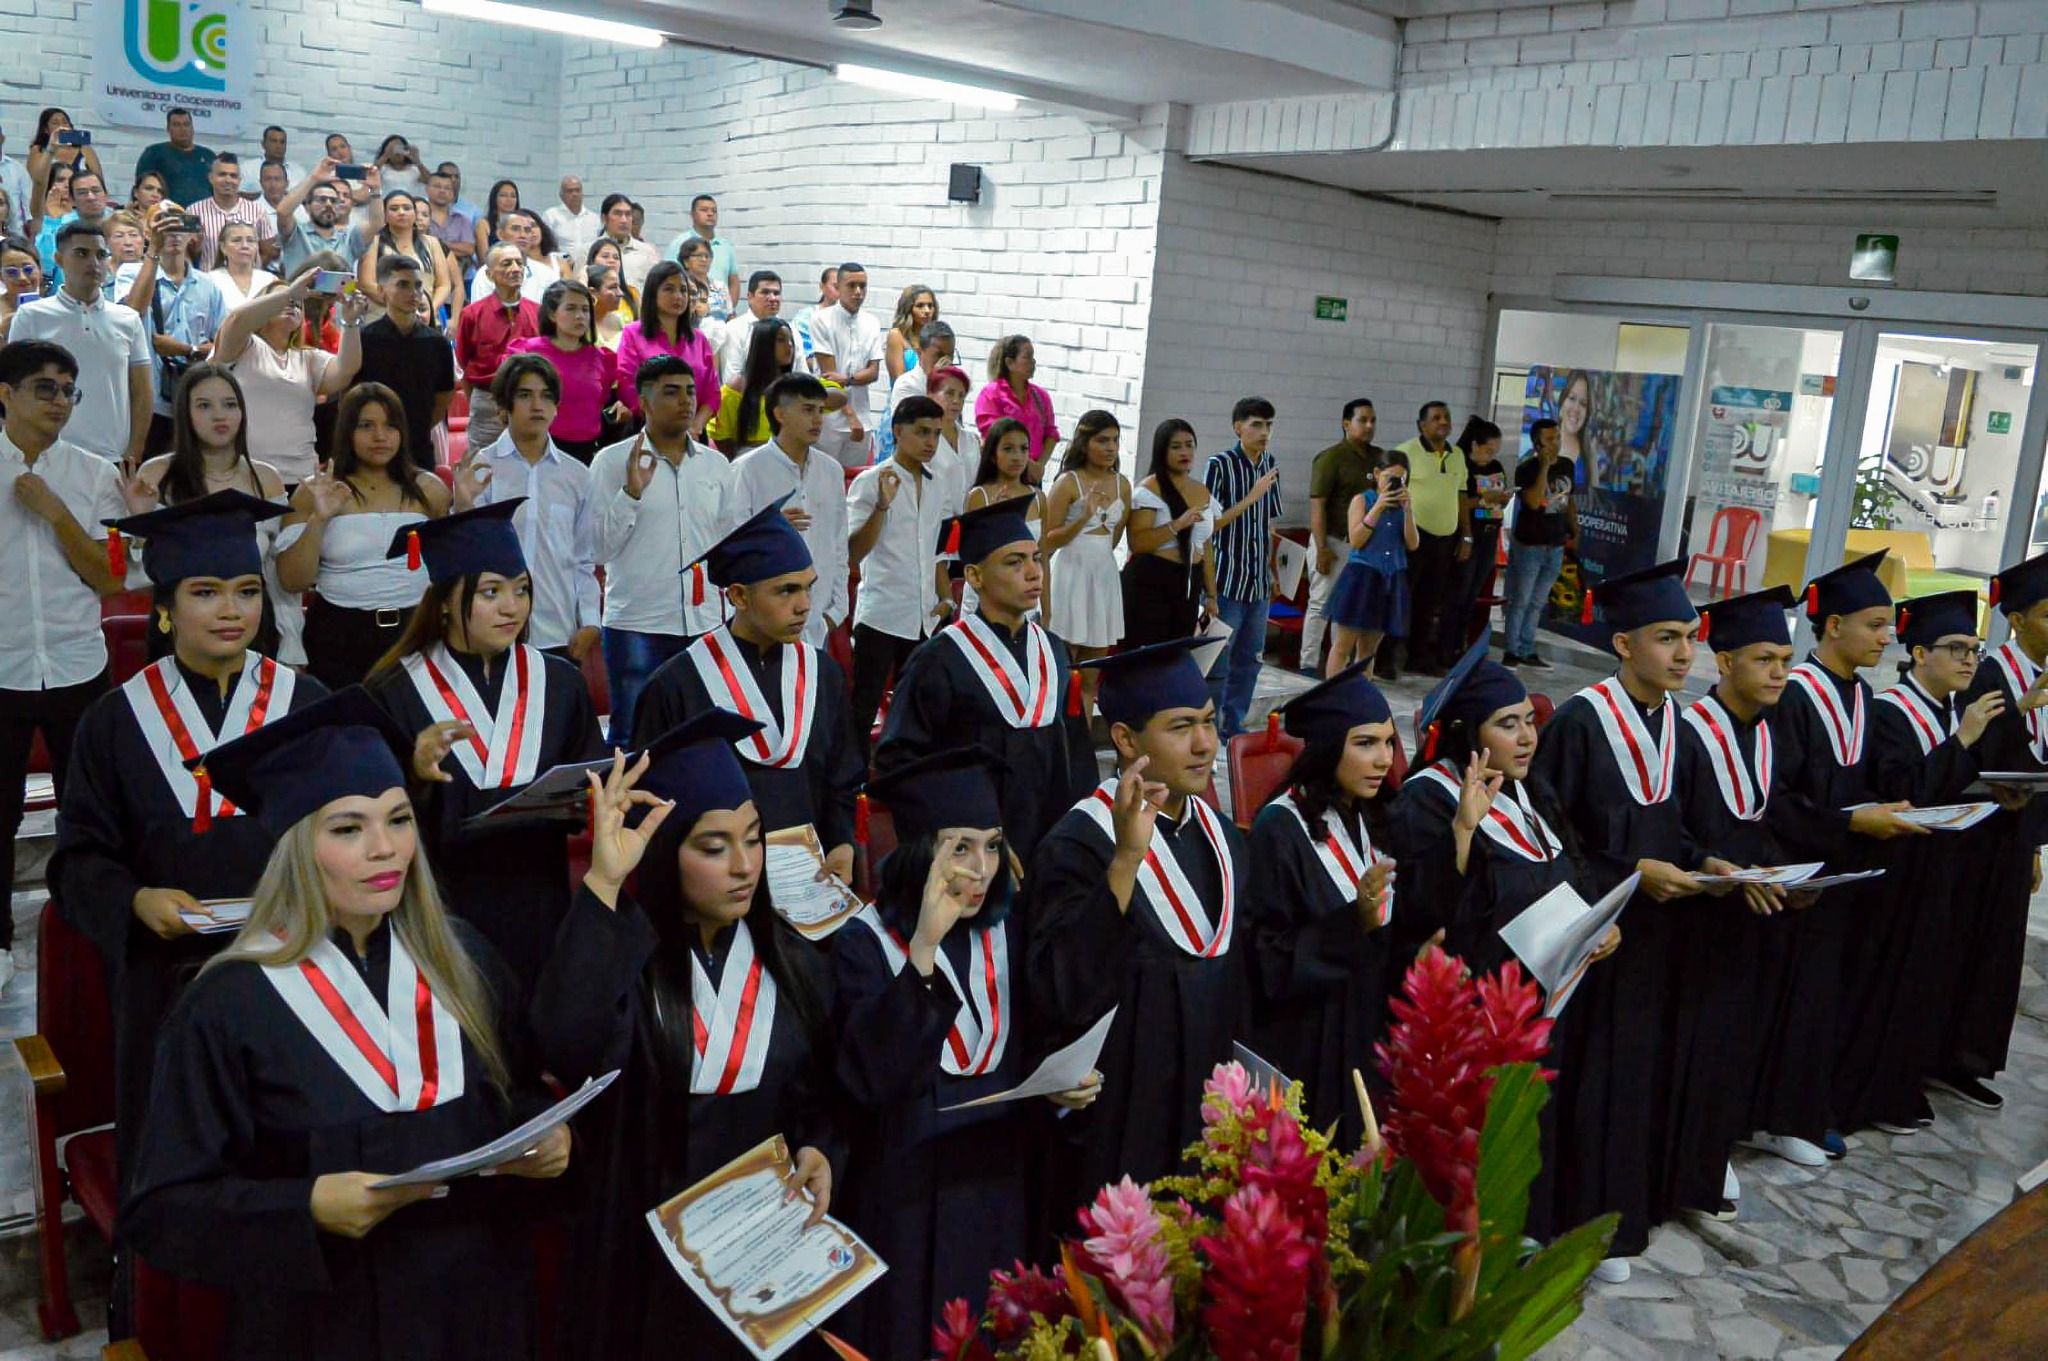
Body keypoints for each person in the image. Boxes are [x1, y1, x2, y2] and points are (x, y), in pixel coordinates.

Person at [117, 688, 572, 1359]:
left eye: (398, 820)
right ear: (299, 848)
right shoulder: (228, 1004)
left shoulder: (464, 959)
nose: (385, 849)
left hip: (476, 1310)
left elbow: (515, 1095)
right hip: (319, 1328)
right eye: (348, 828)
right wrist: (304, 1206)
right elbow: (162, 1207)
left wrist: (544, 1139)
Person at [528, 719, 839, 1361]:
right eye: (713, 846)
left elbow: (816, 1097)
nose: (744, 866)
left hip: (766, 1257)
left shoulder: (794, 962)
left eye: (752, 840)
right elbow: (566, 1043)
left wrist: (818, 1150)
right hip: (648, 1264)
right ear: (666, 853)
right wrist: (605, 883)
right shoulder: (629, 962)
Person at [52, 492, 323, 1220]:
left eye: (245, 591)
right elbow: (77, 859)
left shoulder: (309, 706)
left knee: (291, 1173)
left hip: (296, 976)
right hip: (167, 988)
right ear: (166, 607)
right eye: (205, 593)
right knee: (185, 1179)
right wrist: (135, 901)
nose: (231, 610)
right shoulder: (114, 722)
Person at [834, 748, 1099, 1355]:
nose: (981, 869)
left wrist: (1056, 1086)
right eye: (959, 848)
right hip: (904, 1202)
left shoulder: (1008, 931)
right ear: (919, 853)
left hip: (998, 1191)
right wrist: (923, 947)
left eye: (992, 844)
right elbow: (871, 1082)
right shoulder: (861, 945)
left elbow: (1033, 1044)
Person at [1529, 559, 1740, 1279]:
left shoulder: (1677, 725)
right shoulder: (1581, 724)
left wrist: (1704, 860)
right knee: (1592, 1076)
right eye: (1665, 638)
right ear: (1623, 644)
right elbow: (1549, 836)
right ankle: (1578, 1217)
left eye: (1689, 636)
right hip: (1599, 934)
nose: (1684, 653)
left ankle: (1627, 1209)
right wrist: (1628, 875)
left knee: (1641, 1070)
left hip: (1662, 934)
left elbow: (1674, 827)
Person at [1391, 641, 1618, 1245]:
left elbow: (1571, 862)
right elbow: (1425, 915)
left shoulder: (1528, 789)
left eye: (1529, 722)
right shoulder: (1428, 799)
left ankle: (1532, 1234)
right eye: (1507, 724)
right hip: (1477, 1011)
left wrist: (1601, 920)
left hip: (1546, 996)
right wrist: (1464, 831)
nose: (1526, 738)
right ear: (1469, 733)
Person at [1031, 637, 1244, 1197]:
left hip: (1208, 1103)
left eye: (1207, 721)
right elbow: (1063, 990)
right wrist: (1126, 860)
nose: (1204, 745)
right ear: (1125, 739)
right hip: (1123, 1119)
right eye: (1180, 728)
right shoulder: (1078, 845)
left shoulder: (1221, 837)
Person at [364, 500, 604, 987]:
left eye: (521, 591)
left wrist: (593, 793)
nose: (512, 607)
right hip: (443, 904)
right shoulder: (395, 690)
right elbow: (369, 812)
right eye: (491, 592)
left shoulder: (559, 684)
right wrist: (414, 773)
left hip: (541, 895)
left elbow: (588, 774)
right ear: (448, 600)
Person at [1756, 551, 1925, 1165]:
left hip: (1842, 876)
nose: (1888, 637)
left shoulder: (1857, 695)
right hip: (1798, 877)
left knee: (1827, 997)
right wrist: (1853, 820)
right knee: (1794, 1000)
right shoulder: (1795, 695)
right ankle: (1779, 1117)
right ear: (1833, 627)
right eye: (1875, 625)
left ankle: (1806, 1107)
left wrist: (1888, 807)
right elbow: (1776, 798)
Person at [632, 499, 862, 895]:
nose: (804, 605)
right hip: (718, 892)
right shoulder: (677, 685)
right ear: (738, 596)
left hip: (811, 882)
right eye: (786, 591)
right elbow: (651, 806)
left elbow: (841, 777)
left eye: (808, 587)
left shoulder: (823, 676)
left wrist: (842, 840)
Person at [1840, 590, 2003, 1137]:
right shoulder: (1890, 711)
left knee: (1924, 984)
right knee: (1885, 983)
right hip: (1895, 873)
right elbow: (1904, 790)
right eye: (1955, 647)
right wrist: (1963, 741)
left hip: (1939, 869)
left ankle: (1899, 1083)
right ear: (1917, 654)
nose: (1967, 660)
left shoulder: (1950, 710)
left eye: (1975, 650)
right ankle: (1867, 1093)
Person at [0, 340, 129, 992]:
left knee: (90, 805)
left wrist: (55, 514)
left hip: (77, 662)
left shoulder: (92, 473)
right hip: (2, 666)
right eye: (44, 387)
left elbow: (111, 581)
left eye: (67, 390)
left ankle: (85, 923)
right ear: (6, 394)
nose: (58, 401)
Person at [1671, 586, 1799, 1219]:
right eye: (1764, 659)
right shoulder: (1687, 734)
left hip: (1748, 916)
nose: (1780, 672)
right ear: (1723, 663)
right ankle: (1681, 1158)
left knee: (1732, 1038)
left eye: (1785, 658)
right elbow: (1673, 830)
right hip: (1690, 920)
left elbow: (1768, 817)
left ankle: (1711, 1147)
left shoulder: (1770, 731)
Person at [875, 499, 1093, 866]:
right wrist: (972, 841)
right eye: (1014, 562)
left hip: (1049, 853)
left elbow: (1076, 753)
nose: (1033, 572)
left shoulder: (1053, 651)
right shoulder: (939, 660)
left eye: (1036, 559)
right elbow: (900, 763)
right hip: (969, 859)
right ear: (974, 577)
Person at [1248, 663, 1401, 1146]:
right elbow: (1266, 954)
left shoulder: (1367, 815)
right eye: (1366, 743)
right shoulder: (1280, 828)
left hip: (1365, 1023)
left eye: (1389, 742)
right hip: (1309, 1040)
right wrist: (1350, 922)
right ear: (1330, 747)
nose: (1384, 759)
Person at [1947, 552, 2048, 1112]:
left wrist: (2033, 844)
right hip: (1972, 836)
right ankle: (1940, 1054)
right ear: (2018, 620)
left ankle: (1969, 1059)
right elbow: (1980, 753)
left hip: (2013, 835)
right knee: (1961, 945)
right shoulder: (1988, 674)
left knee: (1998, 952)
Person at [591, 357, 737, 744]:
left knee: (701, 735)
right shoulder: (611, 463)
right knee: (631, 735)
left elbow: (728, 546)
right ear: (644, 400)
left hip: (705, 622)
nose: (685, 401)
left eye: (690, 391)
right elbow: (598, 549)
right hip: (638, 623)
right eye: (671, 392)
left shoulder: (716, 465)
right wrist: (631, 494)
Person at [278, 384, 450, 686]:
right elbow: (293, 580)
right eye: (366, 426)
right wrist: (320, 518)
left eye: (390, 425)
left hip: (416, 631)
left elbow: (451, 572)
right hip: (339, 635)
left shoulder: (431, 489)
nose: (380, 436)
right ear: (347, 431)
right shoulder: (314, 490)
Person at [128, 364, 297, 663]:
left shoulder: (266, 478)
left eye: (230, 405)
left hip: (251, 627)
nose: (220, 415)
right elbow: (143, 577)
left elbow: (274, 572)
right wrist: (141, 523)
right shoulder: (156, 474)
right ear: (185, 413)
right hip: (180, 631)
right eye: (204, 406)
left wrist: (292, 643)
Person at [450, 353, 601, 660]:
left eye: (546, 397)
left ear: (556, 407)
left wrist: (590, 622)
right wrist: (463, 505)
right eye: (524, 395)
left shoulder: (577, 475)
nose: (537, 405)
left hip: (558, 631)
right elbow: (465, 556)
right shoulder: (481, 468)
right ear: (504, 407)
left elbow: (584, 560)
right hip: (492, 630)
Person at [846, 395, 963, 763]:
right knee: (863, 708)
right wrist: (882, 505)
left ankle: (900, 778)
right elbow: (852, 554)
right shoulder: (869, 482)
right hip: (881, 611)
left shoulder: (938, 484)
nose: (930, 442)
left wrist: (945, 601)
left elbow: (935, 553)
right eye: (922, 432)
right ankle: (851, 786)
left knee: (913, 708)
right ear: (898, 432)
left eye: (936, 434)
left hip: (922, 616)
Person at [8, 220, 153, 468]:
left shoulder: (127, 319)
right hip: (46, 456)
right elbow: (15, 388)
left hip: (112, 457)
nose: (94, 263)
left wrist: (134, 450)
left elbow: (141, 391)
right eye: (82, 254)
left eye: (100, 254)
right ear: (59, 259)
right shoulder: (32, 315)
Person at [215, 271, 366, 488]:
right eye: (284, 299)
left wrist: (350, 322)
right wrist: (289, 292)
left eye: (297, 302)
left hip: (301, 475)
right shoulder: (243, 347)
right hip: (247, 473)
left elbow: (346, 369)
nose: (292, 303)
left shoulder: (307, 358)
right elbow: (237, 320)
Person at [731, 374, 849, 648]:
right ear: (779, 413)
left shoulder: (831, 471)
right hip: (762, 622)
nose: (818, 419)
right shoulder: (748, 469)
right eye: (808, 410)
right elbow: (729, 545)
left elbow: (838, 543)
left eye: (821, 410)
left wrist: (836, 611)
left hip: (818, 620)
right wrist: (769, 528)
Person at [1202, 396, 1282, 739]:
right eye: (1257, 425)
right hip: (1226, 578)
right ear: (1238, 428)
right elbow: (1210, 524)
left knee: (1251, 659)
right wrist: (1251, 496)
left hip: (1257, 581)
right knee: (1218, 659)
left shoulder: (1271, 463)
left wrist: (1274, 570)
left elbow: (1268, 524)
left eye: (1269, 425)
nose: (1264, 432)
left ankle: (1232, 727)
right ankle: (1206, 725)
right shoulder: (1219, 464)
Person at [119, 204, 227, 456]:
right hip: (148, 397)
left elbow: (223, 341)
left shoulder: (208, 284)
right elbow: (134, 311)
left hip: (193, 394)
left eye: (180, 224)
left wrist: (188, 349)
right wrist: (154, 249)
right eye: (163, 224)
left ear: (192, 233)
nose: (173, 232)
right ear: (148, 231)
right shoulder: (131, 273)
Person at [1042, 409, 1129, 712]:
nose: (1110, 448)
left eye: (1115, 441)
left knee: (1090, 678)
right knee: (1063, 674)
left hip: (1102, 577)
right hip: (1069, 575)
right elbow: (1047, 539)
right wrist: (1083, 519)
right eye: (1102, 440)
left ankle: (1080, 750)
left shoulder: (1123, 484)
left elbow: (1115, 537)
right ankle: (1056, 747)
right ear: (1085, 442)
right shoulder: (1068, 482)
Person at [1122, 418, 1219, 650]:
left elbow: (1205, 546)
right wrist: (1176, 525)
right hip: (1152, 580)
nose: (1185, 452)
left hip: (1188, 581)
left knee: (1178, 653)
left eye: (1189, 445)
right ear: (1161, 450)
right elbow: (1138, 543)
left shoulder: (1201, 490)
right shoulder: (1148, 489)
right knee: (1147, 655)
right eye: (1176, 447)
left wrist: (1212, 595)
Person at [1303, 398, 1381, 674]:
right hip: (1332, 541)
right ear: (1346, 423)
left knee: (1347, 609)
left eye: (1373, 420)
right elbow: (1317, 505)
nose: (1369, 425)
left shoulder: (1378, 458)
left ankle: (1337, 667)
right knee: (1321, 603)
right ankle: (1308, 664)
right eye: (1363, 420)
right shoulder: (1331, 458)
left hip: (1362, 547)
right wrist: (1322, 547)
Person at [1325, 454, 1420, 679]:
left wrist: (1408, 510)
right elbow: (1356, 539)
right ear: (1377, 474)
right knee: (1343, 645)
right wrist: (1378, 507)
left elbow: (1413, 543)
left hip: (1390, 578)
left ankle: (1361, 695)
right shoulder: (1362, 500)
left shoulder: (1402, 507)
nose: (1393, 484)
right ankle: (1331, 693)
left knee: (1368, 650)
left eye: (1400, 479)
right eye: (1389, 477)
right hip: (1362, 576)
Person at [354, 255, 457, 461]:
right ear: (382, 292)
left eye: (418, 285)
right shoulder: (363, 339)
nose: (414, 293)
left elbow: (443, 397)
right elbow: (350, 397)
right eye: (403, 285)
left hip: (418, 444)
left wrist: (416, 426)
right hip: (372, 447)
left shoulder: (438, 343)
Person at [507, 279, 620, 463]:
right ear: (552, 314)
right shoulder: (528, 352)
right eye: (571, 308)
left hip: (588, 450)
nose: (580, 316)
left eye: (585, 310)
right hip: (540, 448)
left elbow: (602, 399)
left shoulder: (601, 358)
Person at [1394, 400, 1468, 675]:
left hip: (1444, 540)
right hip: (1412, 537)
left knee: (1429, 600)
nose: (1443, 422)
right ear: (1421, 425)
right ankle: (1387, 657)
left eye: (1446, 417)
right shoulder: (1406, 452)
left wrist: (1467, 536)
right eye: (1436, 418)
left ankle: (1419, 658)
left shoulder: (1457, 455)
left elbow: (1461, 495)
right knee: (1402, 598)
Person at [706, 317, 844, 455]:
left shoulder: (796, 383)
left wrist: (800, 394)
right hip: (751, 462)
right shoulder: (738, 386)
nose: (789, 345)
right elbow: (720, 435)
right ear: (763, 344)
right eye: (781, 340)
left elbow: (841, 397)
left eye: (791, 340)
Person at [1504, 418, 1578, 670]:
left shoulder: (1567, 465)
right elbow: (1534, 502)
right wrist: (1544, 467)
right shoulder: (1526, 469)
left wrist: (1574, 530)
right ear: (1537, 443)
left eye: (1557, 437)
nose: (1555, 443)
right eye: (1549, 439)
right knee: (1521, 599)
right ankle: (1512, 650)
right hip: (1530, 543)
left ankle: (1528, 648)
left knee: (1537, 601)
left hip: (1555, 542)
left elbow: (1569, 501)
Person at [616, 261, 720, 437]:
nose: (678, 296)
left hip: (693, 432)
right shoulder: (632, 333)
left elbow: (713, 392)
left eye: (683, 290)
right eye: (669, 289)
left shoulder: (699, 339)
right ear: (652, 293)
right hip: (649, 430)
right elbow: (628, 385)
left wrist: (696, 425)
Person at [454, 242, 541, 450]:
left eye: (519, 263)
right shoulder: (472, 314)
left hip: (530, 400)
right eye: (506, 263)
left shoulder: (539, 312)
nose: (515, 268)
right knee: (483, 469)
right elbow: (465, 361)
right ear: (489, 274)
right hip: (487, 402)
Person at [960, 417, 1042, 618]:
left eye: (1023, 449)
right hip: (986, 599)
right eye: (1008, 449)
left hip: (1026, 595)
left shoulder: (1039, 497)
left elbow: (1043, 556)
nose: (1017, 457)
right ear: (993, 455)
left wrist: (1046, 609)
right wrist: (996, 516)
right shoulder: (979, 495)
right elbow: (971, 554)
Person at [810, 261, 884, 469]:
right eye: (852, 286)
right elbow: (830, 377)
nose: (858, 292)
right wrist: (851, 416)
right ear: (838, 287)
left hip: (863, 416)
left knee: (854, 483)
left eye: (863, 286)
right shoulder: (821, 319)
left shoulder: (872, 322)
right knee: (823, 479)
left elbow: (873, 372)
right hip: (830, 419)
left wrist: (849, 379)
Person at [1449, 416, 1510, 648]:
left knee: (1476, 591)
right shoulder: (1463, 466)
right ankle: (1451, 643)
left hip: (1490, 530)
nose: (1491, 456)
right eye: (1487, 450)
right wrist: (1484, 498)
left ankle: (1466, 641)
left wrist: (1502, 499)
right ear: (1474, 445)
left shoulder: (1495, 467)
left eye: (1495, 451)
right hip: (1469, 531)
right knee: (1460, 591)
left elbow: (1498, 499)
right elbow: (1460, 502)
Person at [356, 190, 457, 321]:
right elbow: (366, 284)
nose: (401, 212)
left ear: (415, 214)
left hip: (424, 319)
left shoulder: (432, 242)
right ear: (385, 215)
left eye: (407, 208)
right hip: (382, 317)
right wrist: (400, 305)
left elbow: (444, 285)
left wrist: (428, 308)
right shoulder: (374, 242)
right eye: (394, 209)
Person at [973, 334, 1058, 480]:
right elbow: (993, 434)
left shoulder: (1040, 396)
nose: (1033, 362)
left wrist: (1039, 466)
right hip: (1001, 473)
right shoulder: (992, 394)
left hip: (1033, 475)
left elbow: (1051, 433)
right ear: (1010, 363)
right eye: (1028, 357)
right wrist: (1026, 463)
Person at [274, 160, 379, 275]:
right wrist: (314, 178)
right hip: (302, 292)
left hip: (343, 291)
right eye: (322, 200)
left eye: (334, 201)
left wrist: (375, 189)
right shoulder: (295, 233)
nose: (328, 204)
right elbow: (282, 212)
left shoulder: (349, 238)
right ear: (307, 206)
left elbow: (376, 223)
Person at [878, 318, 951, 461]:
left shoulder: (951, 385)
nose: (946, 362)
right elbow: (909, 432)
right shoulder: (906, 385)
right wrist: (934, 384)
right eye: (938, 355)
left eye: (950, 356)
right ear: (919, 353)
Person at [189, 154, 276, 271]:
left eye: (233, 176)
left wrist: (252, 271)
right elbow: (186, 254)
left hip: (249, 284)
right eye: (222, 174)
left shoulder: (257, 211)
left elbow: (267, 251)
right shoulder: (194, 212)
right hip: (209, 282)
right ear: (210, 178)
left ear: (239, 180)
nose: (228, 180)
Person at [663, 192, 740, 310]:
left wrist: (728, 309)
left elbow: (733, 281)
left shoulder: (726, 246)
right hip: (688, 311)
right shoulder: (679, 243)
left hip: (720, 313)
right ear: (692, 214)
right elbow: (666, 278)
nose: (710, 214)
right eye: (704, 210)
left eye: (714, 211)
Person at [131, 107, 215, 208]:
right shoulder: (154, 153)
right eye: (176, 125)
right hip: (165, 215)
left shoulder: (208, 155)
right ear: (168, 129)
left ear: (192, 128)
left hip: (204, 215)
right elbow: (143, 188)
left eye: (186, 124)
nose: (182, 129)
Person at [714, 269, 781, 382]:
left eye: (776, 293)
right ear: (750, 297)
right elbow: (732, 379)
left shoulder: (790, 330)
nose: (773, 298)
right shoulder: (734, 329)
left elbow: (802, 373)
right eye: (765, 292)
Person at [927, 363, 979, 509]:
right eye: (949, 393)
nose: (956, 401)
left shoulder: (971, 441)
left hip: (969, 523)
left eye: (961, 396)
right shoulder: (923, 441)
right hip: (936, 522)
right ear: (931, 395)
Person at [204, 220, 280, 311]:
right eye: (236, 240)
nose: (245, 246)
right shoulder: (210, 281)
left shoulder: (270, 280)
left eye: (250, 240)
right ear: (223, 247)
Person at [597, 192, 660, 293]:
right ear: (604, 218)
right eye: (617, 214)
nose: (624, 220)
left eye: (628, 214)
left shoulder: (647, 252)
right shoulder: (588, 250)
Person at [422, 168, 477, 285]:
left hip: (458, 281)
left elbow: (468, 249)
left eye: (447, 188)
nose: (442, 191)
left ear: (453, 194)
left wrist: (436, 244)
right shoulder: (417, 217)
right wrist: (454, 248)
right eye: (437, 186)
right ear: (426, 189)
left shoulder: (462, 220)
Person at [543, 174, 599, 264]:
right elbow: (546, 246)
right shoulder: (551, 216)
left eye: (578, 190)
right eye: (570, 191)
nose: (574, 194)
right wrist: (564, 258)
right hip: (562, 267)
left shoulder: (594, 218)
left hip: (589, 268)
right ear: (561, 195)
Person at [1554, 369, 1596, 488]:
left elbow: (1594, 500)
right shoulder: (1543, 448)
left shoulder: (1589, 454)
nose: (1576, 408)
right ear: (1561, 403)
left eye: (1583, 404)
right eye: (1572, 398)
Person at [0, 232, 43, 344]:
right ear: (1, 277)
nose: (22, 277)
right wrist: (2, 332)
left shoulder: (53, 309)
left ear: (40, 270)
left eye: (28, 269)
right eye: (11, 272)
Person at [237, 125, 304, 194]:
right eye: (274, 141)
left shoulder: (299, 172)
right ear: (263, 144)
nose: (278, 146)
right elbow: (238, 195)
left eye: (282, 142)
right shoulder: (247, 169)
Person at [475, 178, 523, 262]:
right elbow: (484, 259)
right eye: (503, 195)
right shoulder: (484, 224)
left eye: (513, 196)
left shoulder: (522, 224)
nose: (509, 200)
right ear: (494, 198)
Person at [587, 263, 631, 350]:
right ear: (592, 292)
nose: (620, 293)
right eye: (613, 287)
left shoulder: (622, 321)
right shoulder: (579, 328)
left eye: (619, 287)